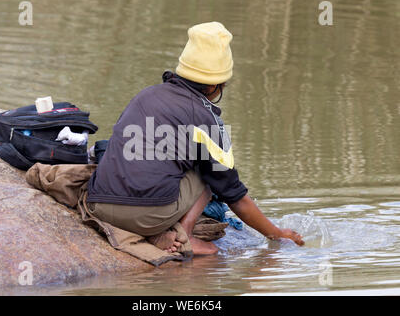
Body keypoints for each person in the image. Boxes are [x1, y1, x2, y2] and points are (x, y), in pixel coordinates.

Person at [86, 22, 304, 255]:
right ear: (214, 85)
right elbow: (234, 195)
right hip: (145, 217)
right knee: (210, 171)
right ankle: (185, 236)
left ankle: (158, 231)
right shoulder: (205, 120)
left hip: (99, 206)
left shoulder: (145, 96)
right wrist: (277, 234)